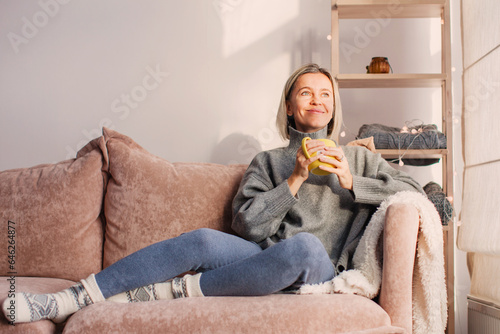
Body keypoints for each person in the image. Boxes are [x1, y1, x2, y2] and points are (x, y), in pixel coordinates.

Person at [2, 63, 423, 325]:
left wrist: (353, 182)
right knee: (201, 239)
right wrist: (294, 179)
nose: (317, 99)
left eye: (326, 94)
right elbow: (247, 226)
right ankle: (67, 299)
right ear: (291, 107)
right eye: (306, 92)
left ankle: (173, 291)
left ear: (333, 109)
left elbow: (414, 193)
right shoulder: (270, 160)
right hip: (262, 259)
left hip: (319, 267)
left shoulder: (358, 157)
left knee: (304, 248)